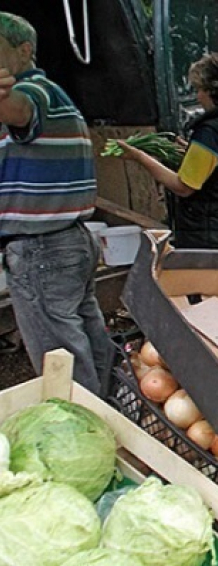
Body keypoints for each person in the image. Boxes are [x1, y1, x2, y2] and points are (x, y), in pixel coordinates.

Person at [0, 12, 111, 394]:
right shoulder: (54, 94)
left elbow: (17, 110)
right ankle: (115, 418)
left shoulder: (34, 93)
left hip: (42, 250)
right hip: (68, 243)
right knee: (90, 345)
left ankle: (87, 431)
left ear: (24, 50)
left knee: (61, 363)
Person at [115, 53, 218, 250]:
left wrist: (139, 156)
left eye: (199, 89)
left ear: (213, 91)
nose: (198, 96)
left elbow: (183, 187)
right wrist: (190, 153)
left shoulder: (211, 133)